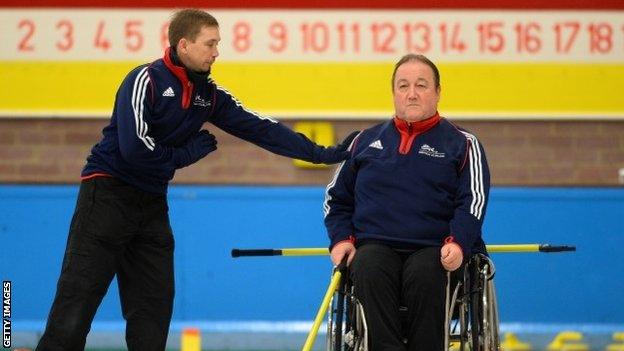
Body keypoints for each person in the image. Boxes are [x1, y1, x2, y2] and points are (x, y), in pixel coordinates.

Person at [36, 8, 356, 351]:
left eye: (218, 43)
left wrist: (325, 154)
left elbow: (260, 127)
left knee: (153, 309)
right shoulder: (145, 80)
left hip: (151, 203)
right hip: (106, 196)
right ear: (184, 45)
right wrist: (186, 155)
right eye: (210, 44)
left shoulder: (208, 94)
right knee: (77, 303)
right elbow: (134, 149)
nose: (217, 52)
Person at [324, 54, 490, 351]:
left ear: (438, 92)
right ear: (394, 93)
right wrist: (340, 240)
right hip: (375, 245)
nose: (411, 93)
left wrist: (459, 243)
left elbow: (473, 201)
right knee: (368, 265)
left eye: (421, 85)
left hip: (435, 247)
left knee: (426, 272)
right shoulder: (362, 141)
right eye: (403, 86)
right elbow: (337, 200)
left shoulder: (463, 144)